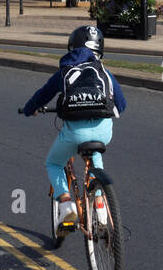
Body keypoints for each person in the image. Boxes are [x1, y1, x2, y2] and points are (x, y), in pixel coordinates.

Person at [21, 25, 127, 230]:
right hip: (104, 131)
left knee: (53, 163)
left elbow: (42, 95)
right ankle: (100, 204)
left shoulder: (65, 71)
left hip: (75, 133)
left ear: (72, 48)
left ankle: (66, 203)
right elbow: (121, 105)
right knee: (95, 154)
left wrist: (29, 110)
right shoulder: (104, 71)